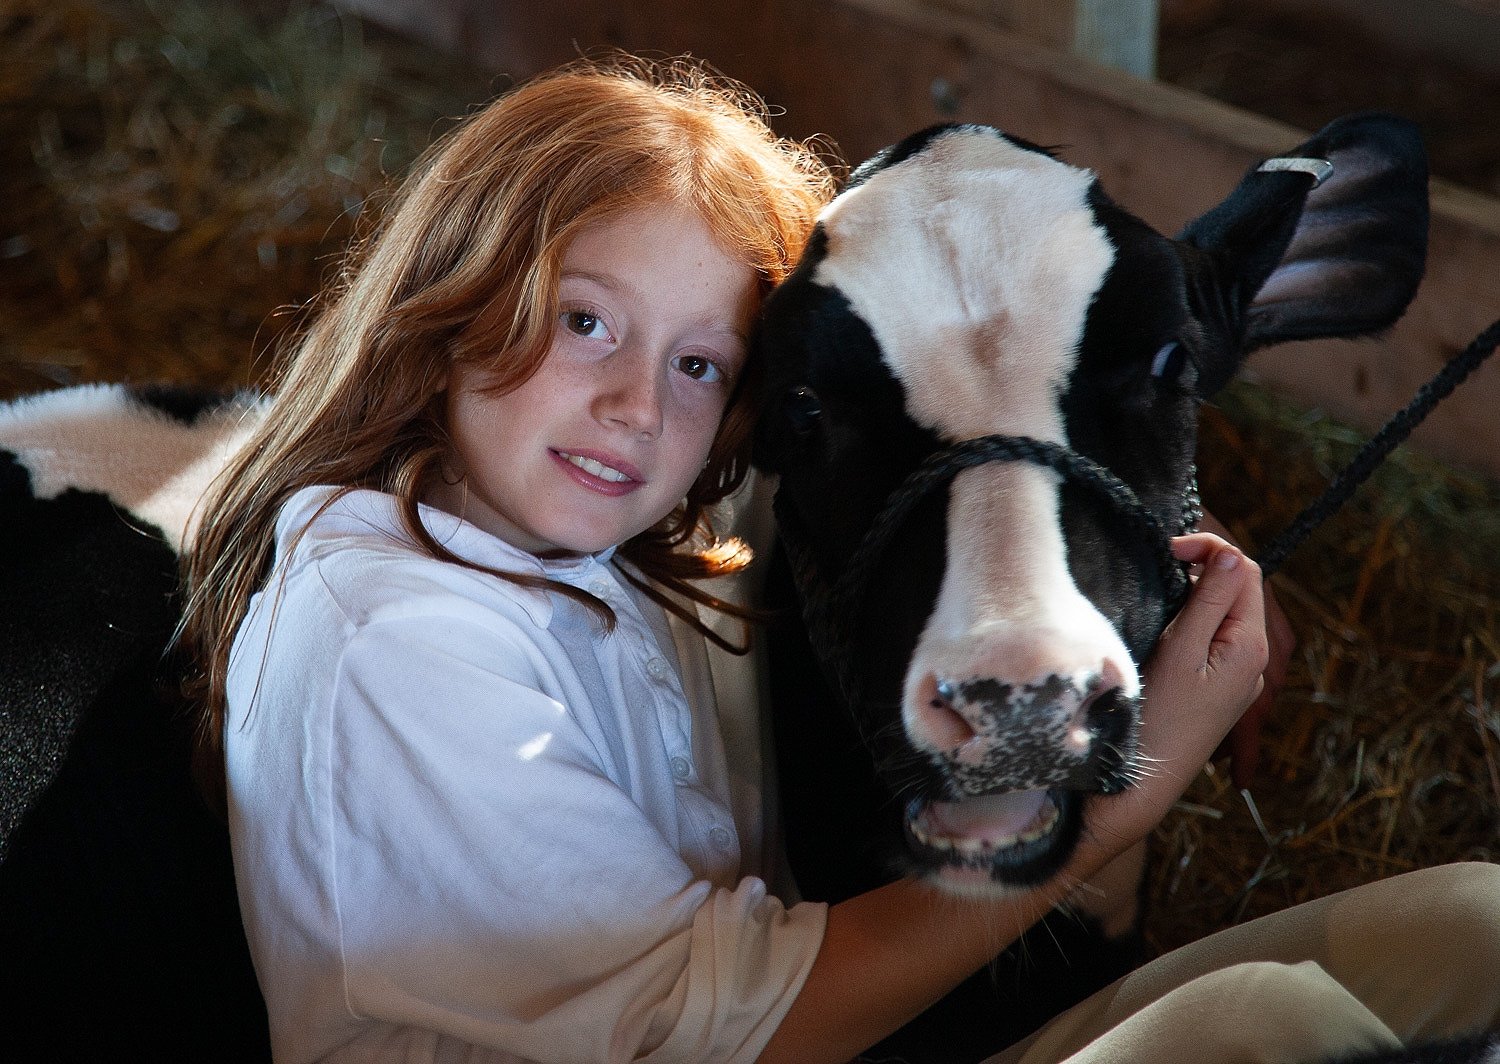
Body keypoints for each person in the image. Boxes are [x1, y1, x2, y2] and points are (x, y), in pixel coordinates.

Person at [179, 56, 1500, 1064]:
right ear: (454, 303)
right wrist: (1136, 786)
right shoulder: (398, 631)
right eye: (587, 321)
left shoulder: (608, 559)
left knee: (1474, 921)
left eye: (699, 364)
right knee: (1264, 1026)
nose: (640, 404)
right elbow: (759, 1033)